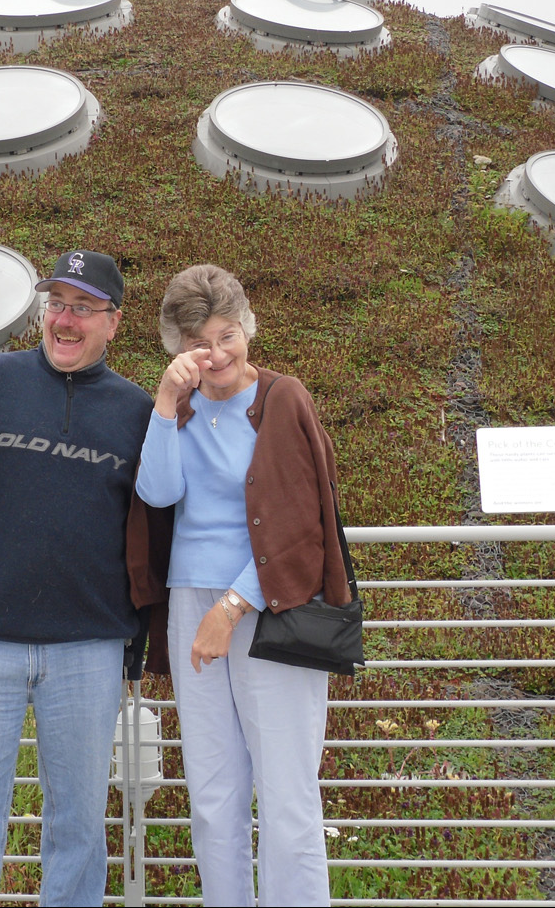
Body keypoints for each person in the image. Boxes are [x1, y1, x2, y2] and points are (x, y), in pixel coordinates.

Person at [0, 249, 154, 908]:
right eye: (56, 304)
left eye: (82, 308)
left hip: (86, 652)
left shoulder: (138, 412)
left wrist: (135, 645)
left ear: (113, 323)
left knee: (78, 833)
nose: (64, 319)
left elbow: (151, 537)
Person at [127, 264, 349, 907]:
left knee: (287, 796)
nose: (217, 353)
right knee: (213, 795)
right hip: (190, 606)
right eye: (200, 340)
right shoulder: (180, 408)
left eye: (228, 335)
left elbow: (306, 520)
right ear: (177, 346)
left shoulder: (282, 399)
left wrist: (231, 606)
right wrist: (165, 407)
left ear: (248, 328)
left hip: (267, 606)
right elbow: (158, 493)